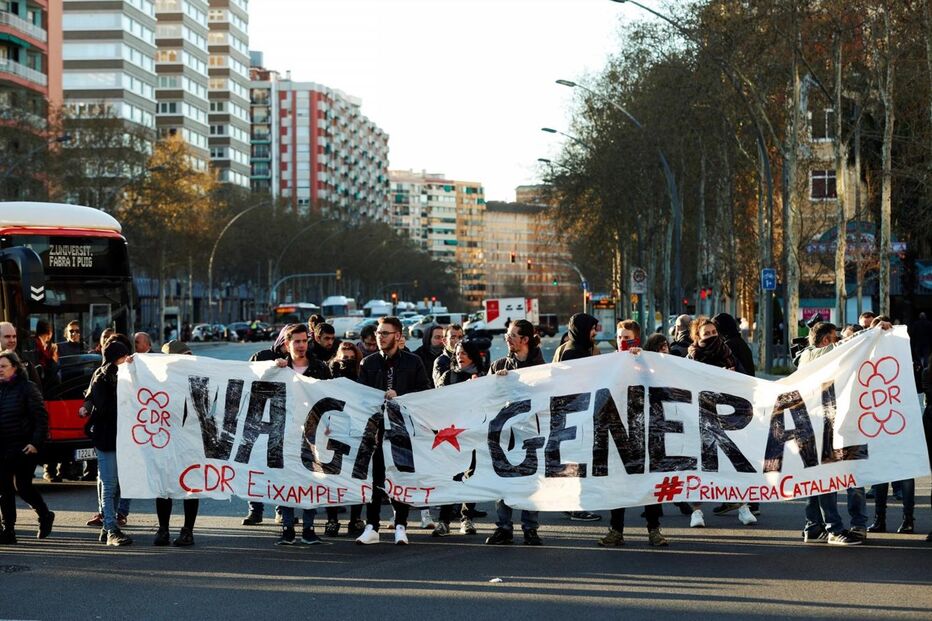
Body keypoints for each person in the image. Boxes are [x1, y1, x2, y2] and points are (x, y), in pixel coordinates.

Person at [797, 320, 891, 546]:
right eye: (837, 338)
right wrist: (872, 331)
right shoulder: (812, 355)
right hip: (828, 428)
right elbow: (842, 349)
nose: (840, 341)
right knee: (829, 479)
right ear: (827, 340)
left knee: (836, 478)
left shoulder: (822, 357)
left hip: (843, 426)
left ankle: (818, 527)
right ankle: (835, 528)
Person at [355, 316, 430, 546]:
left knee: (401, 476)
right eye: (378, 333)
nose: (380, 337)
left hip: (402, 430)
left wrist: (401, 396)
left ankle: (401, 526)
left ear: (398, 336)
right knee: (374, 478)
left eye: (385, 333)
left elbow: (424, 392)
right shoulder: (368, 363)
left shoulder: (413, 361)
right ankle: (372, 526)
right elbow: (360, 397)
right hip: (376, 431)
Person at [598, 320, 668, 548]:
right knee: (618, 483)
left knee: (648, 482)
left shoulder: (647, 361)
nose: (622, 341)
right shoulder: (609, 363)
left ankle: (654, 530)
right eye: (619, 337)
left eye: (626, 338)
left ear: (636, 339)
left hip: (644, 430)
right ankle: (616, 530)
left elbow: (661, 384)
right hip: (618, 431)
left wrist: (642, 363)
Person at [686, 317, 755, 527]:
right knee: (699, 466)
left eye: (714, 333)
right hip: (700, 418)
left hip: (728, 419)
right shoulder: (690, 358)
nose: (711, 336)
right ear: (697, 337)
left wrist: (732, 377)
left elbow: (746, 380)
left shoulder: (728, 354)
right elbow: (684, 384)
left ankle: (743, 507)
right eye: (706, 334)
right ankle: (696, 512)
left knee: (733, 464)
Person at [485, 319, 546, 546]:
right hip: (505, 436)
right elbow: (487, 398)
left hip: (532, 435)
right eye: (507, 335)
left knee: (531, 482)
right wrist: (495, 383)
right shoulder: (499, 366)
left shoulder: (542, 369)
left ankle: (530, 529)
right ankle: (504, 527)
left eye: (511, 335)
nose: (507, 339)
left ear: (525, 339)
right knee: (503, 481)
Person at [272, 324, 331, 545]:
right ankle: (288, 528)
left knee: (312, 478)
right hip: (285, 431)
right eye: (296, 341)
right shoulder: (279, 368)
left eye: (304, 341)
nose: (301, 345)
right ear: (287, 344)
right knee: (285, 478)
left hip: (314, 432)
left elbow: (330, 397)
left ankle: (309, 528)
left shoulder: (320, 368)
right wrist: (274, 368)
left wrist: (328, 424)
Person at [432, 339, 486, 537]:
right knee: (451, 476)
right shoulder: (449, 376)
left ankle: (467, 518)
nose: (459, 357)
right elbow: (437, 400)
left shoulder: (483, 377)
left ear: (472, 355)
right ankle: (444, 521)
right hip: (451, 435)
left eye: (463, 353)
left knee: (472, 475)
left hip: (474, 433)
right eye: (457, 353)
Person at [552, 313, 603, 522]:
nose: (595, 332)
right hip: (575, 415)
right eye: (592, 328)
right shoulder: (574, 353)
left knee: (572, 461)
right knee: (577, 462)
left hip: (571, 415)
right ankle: (576, 506)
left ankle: (569, 503)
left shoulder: (572, 348)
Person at [0, 350, 54, 544]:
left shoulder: (27, 388)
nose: (0, 370)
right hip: (3, 447)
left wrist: (35, 443)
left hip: (24, 447)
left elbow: (41, 418)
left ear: (15, 367)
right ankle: (8, 530)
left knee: (22, 487)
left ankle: (44, 514)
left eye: (4, 366)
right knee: (4, 489)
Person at [83, 341, 132, 546]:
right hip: (107, 438)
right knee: (110, 484)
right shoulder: (103, 377)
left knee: (119, 485)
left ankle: (107, 527)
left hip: (121, 438)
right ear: (115, 358)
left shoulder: (121, 375)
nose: (127, 360)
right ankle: (111, 529)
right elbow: (104, 407)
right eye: (123, 357)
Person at [153, 340, 201, 546]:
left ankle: (188, 530)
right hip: (166, 439)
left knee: (191, 484)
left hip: (191, 439)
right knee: (164, 485)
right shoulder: (159, 380)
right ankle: (163, 528)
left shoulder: (198, 377)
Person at [324, 341, 366, 537]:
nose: (347, 361)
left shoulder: (362, 376)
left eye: (351, 358)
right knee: (332, 478)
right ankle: (332, 520)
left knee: (356, 477)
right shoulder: (327, 376)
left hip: (356, 432)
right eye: (344, 358)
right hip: (332, 432)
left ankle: (355, 519)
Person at [432, 324, 464, 388]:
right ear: (445, 341)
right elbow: (440, 388)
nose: (457, 341)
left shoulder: (467, 357)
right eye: (453, 337)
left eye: (460, 337)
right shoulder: (440, 362)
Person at [413, 323, 445, 388]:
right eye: (437, 337)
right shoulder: (416, 357)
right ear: (428, 338)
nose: (441, 341)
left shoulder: (447, 355)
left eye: (443, 337)